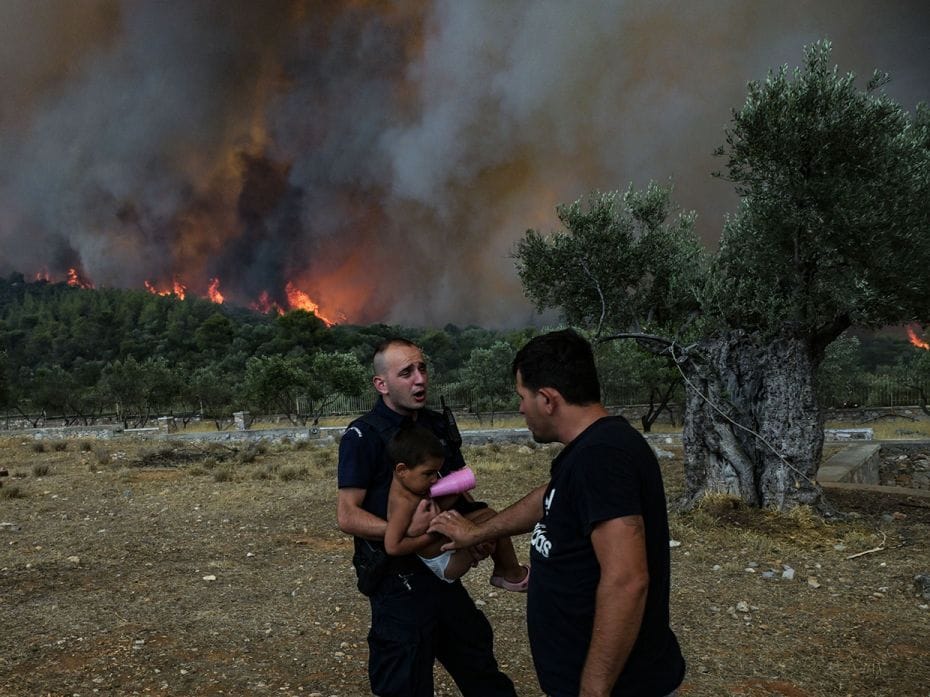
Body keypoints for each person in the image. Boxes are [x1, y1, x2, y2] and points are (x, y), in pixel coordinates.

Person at [429, 329, 686, 697]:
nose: (520, 408)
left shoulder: (602, 458)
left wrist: (594, 690)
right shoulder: (590, 450)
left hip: (623, 686)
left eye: (522, 397)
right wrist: (477, 532)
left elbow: (627, 580)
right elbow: (548, 498)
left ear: (547, 399)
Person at [336, 338, 521, 697]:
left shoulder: (436, 427)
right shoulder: (363, 435)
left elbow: (456, 490)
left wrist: (473, 534)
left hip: (444, 572)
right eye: (406, 372)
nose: (420, 379)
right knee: (404, 681)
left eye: (422, 368)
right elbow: (347, 516)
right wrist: (405, 531)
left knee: (480, 667)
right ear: (381, 384)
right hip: (398, 583)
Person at [384, 422, 510, 583]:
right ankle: (510, 570)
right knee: (492, 520)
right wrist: (434, 535)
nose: (435, 478)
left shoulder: (412, 487)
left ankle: (501, 567)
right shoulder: (403, 503)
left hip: (446, 549)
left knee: (488, 518)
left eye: (436, 472)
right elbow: (392, 546)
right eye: (428, 473)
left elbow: (434, 510)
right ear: (402, 470)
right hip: (445, 562)